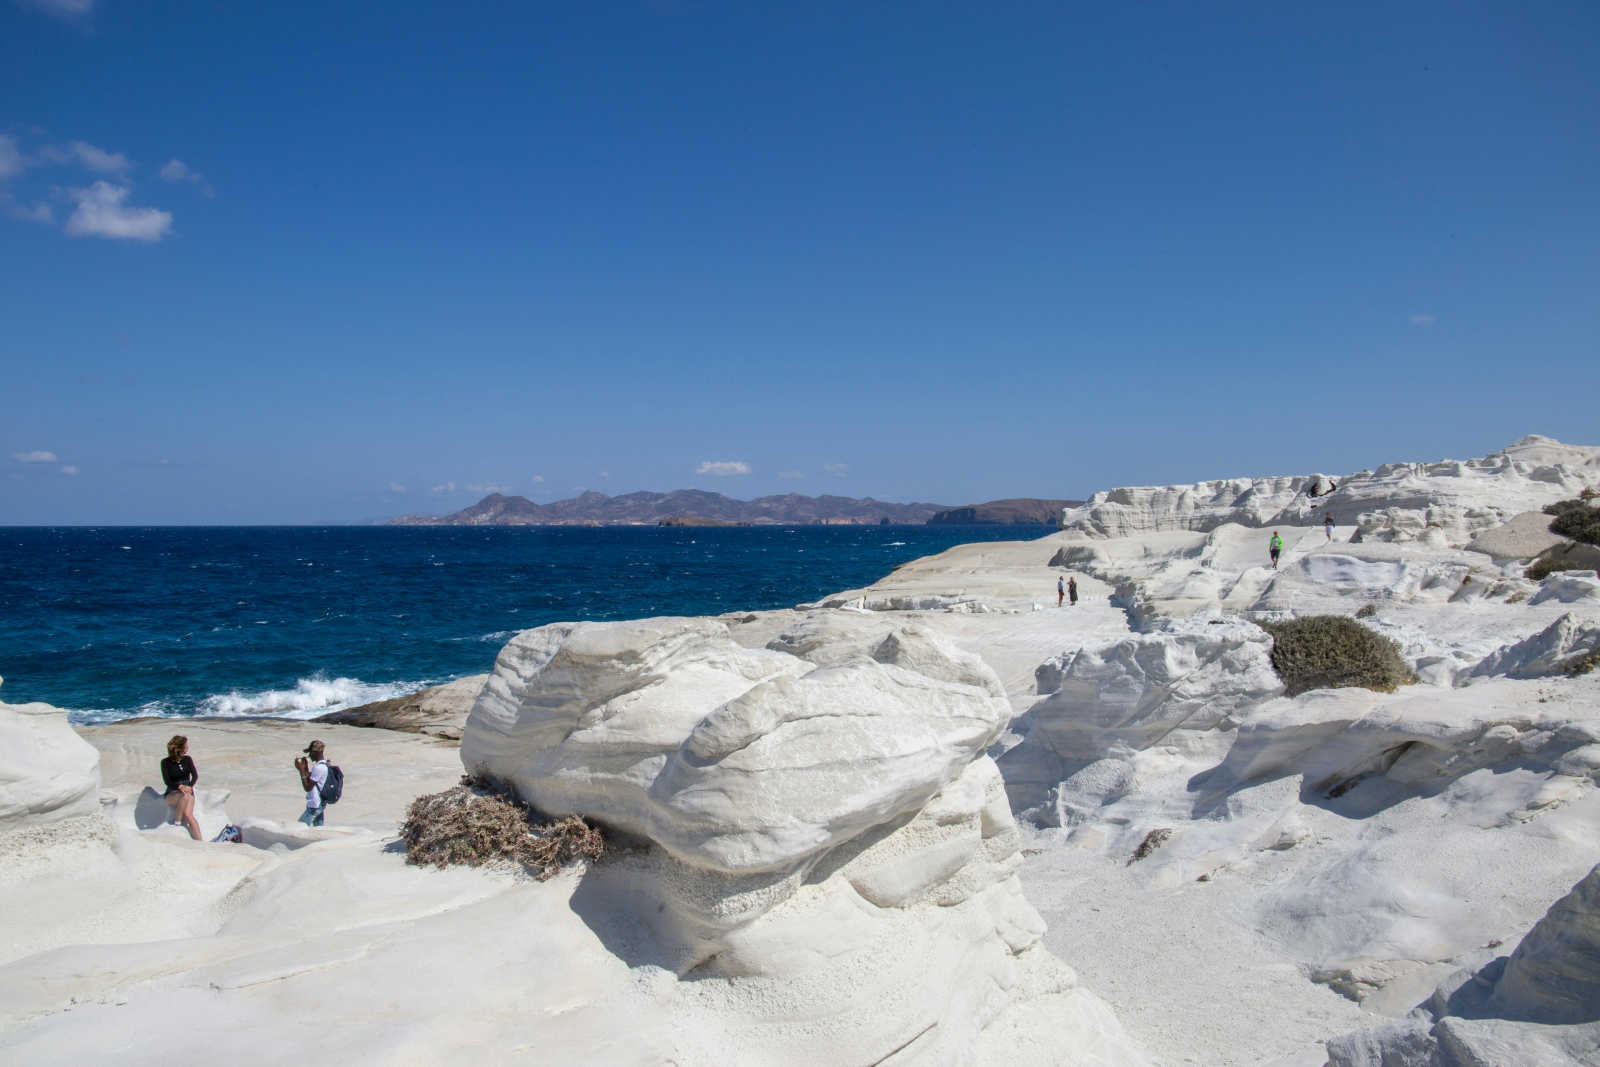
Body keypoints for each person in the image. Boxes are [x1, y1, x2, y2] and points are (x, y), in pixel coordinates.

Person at [161, 735, 203, 840]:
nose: (188, 747)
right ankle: (178, 821)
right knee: (183, 794)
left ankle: (200, 840)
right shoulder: (165, 762)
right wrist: (180, 787)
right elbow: (167, 781)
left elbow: (195, 776)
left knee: (189, 814)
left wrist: (189, 787)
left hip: (188, 789)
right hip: (173, 791)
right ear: (180, 748)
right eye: (186, 745)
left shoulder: (187, 759)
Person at [295, 740, 330, 827]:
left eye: (310, 753)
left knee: (297, 829)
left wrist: (301, 770)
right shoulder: (324, 765)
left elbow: (307, 787)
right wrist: (305, 767)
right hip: (319, 803)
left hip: (314, 806)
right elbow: (310, 780)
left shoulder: (319, 768)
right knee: (319, 831)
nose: (309, 756)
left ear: (316, 752)